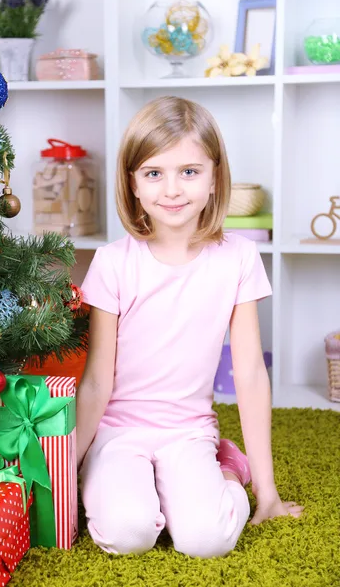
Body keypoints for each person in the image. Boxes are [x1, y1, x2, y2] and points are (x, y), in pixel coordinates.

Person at [76, 96, 304, 559]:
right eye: (154, 173)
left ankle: (227, 468)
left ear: (216, 179)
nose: (173, 189)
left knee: (207, 541)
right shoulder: (113, 262)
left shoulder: (238, 258)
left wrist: (268, 490)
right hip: (119, 431)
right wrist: (65, 468)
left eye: (190, 171)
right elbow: (97, 380)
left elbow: (250, 374)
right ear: (133, 184)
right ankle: (136, 487)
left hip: (189, 431)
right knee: (127, 534)